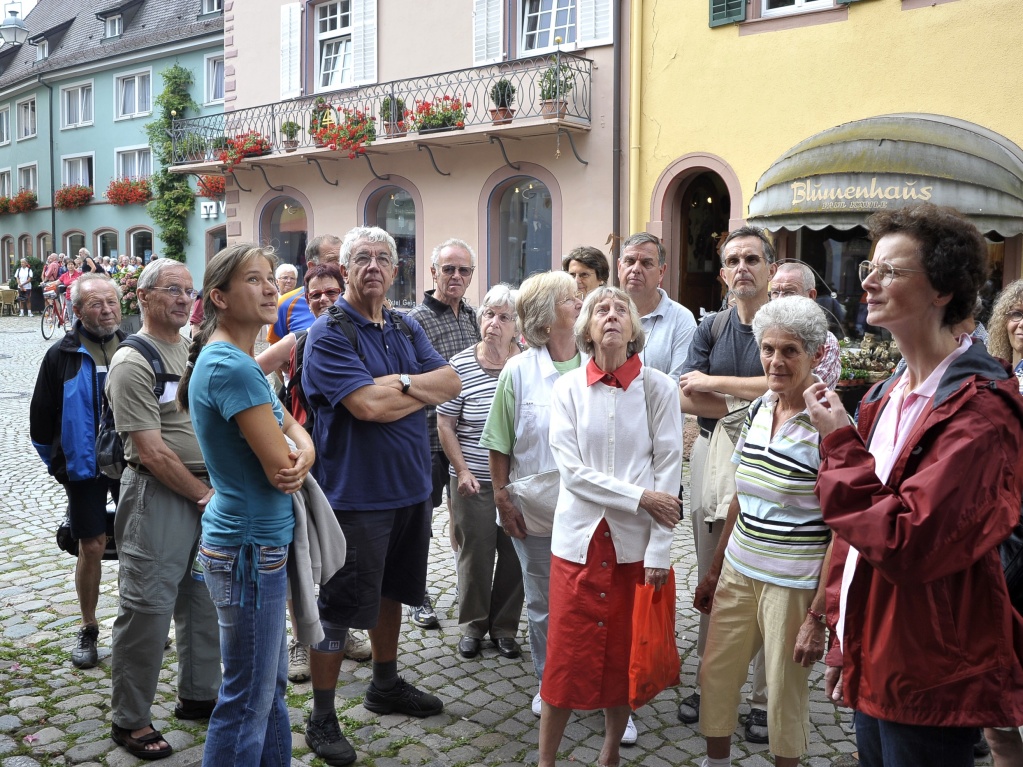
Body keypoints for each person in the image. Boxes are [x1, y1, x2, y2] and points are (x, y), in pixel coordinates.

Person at [804, 204, 1023, 767]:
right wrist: (840, 630)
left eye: (891, 271)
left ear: (942, 291)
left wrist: (838, 444)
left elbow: (908, 541)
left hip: (929, 669)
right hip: (874, 647)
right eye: (869, 269)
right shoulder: (884, 395)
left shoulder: (982, 412)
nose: (870, 281)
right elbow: (852, 540)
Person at [301, 226, 460, 766]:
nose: (373, 266)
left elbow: (450, 382)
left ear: (396, 270)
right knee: (339, 608)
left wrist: (401, 385)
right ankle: (322, 715)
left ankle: (385, 684)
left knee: (394, 590)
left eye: (383, 258)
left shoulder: (402, 324)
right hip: (354, 497)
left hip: (412, 487)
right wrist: (411, 388)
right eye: (361, 258)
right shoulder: (328, 334)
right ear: (344, 269)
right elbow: (365, 408)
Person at [177, 244, 315, 766]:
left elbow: (292, 428)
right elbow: (281, 460)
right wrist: (301, 450)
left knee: (268, 689)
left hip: (251, 545)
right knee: (246, 700)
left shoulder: (237, 361)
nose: (268, 288)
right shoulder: (231, 367)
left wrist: (308, 448)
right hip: (250, 550)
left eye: (269, 279)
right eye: (253, 280)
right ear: (219, 297)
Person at [540, 287, 682, 767]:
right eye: (601, 309)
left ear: (635, 326)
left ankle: (609, 754)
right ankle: (546, 761)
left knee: (625, 658)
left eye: (622, 309)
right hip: (578, 542)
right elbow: (573, 475)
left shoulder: (659, 387)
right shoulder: (566, 388)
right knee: (564, 661)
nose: (612, 315)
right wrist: (640, 497)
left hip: (635, 547)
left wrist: (661, 551)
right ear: (586, 327)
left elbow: (669, 469)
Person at [694, 296, 833, 767]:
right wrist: (714, 572)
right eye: (769, 349)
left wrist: (818, 615)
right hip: (739, 570)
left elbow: (841, 528)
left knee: (782, 693)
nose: (776, 361)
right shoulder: (757, 409)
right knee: (715, 675)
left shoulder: (828, 424)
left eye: (790, 350)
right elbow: (740, 497)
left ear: (814, 354)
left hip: (792, 584)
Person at [106, 259, 221, 760]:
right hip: (158, 497)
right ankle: (129, 721)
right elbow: (150, 450)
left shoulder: (191, 345)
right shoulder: (133, 361)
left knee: (202, 598)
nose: (183, 298)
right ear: (144, 298)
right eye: (171, 290)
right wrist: (203, 496)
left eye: (188, 290)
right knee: (147, 608)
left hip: (205, 493)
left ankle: (198, 694)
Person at [677, 225, 778, 742]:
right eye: (733, 260)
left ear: (770, 269)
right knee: (712, 577)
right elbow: (682, 397)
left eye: (752, 259)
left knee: (769, 581)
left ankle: (763, 701)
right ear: (722, 273)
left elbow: (787, 385)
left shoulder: (785, 326)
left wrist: (716, 385)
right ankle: (709, 682)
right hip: (714, 459)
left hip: (769, 465)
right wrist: (753, 395)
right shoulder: (712, 327)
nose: (742, 268)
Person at [480, 271, 584, 718]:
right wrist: (502, 500)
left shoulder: (599, 364)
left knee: (593, 600)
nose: (580, 304)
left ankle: (599, 685)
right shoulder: (519, 371)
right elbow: (499, 441)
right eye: (569, 299)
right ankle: (550, 682)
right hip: (535, 510)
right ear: (544, 321)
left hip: (592, 511)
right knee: (543, 602)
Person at [282, 261, 372, 683]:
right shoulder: (300, 338)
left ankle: (341, 627)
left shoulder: (355, 337)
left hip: (345, 460)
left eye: (330, 292)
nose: (322, 299)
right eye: (314, 294)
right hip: (305, 457)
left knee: (340, 553)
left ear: (345, 290)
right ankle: (301, 640)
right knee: (300, 553)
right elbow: (254, 372)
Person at [30, 273, 123, 669]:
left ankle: (133, 624)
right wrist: (59, 465)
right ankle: (88, 627)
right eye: (96, 304)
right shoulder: (62, 354)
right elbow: (40, 419)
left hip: (134, 462)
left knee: (140, 542)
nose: (106, 311)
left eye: (112, 303)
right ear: (79, 310)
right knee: (92, 545)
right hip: (83, 466)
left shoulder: (135, 345)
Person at [437, 285, 523, 660]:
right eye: (489, 314)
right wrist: (462, 469)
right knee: (475, 552)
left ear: (517, 325)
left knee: (516, 553)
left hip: (519, 482)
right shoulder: (459, 364)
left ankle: (504, 627)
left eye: (504, 317)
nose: (494, 323)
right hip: (471, 478)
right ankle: (473, 625)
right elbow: (445, 424)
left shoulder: (528, 364)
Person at [406, 238, 482, 629]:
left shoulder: (473, 317)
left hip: (465, 440)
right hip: (424, 437)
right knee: (420, 521)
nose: (456, 276)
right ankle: (417, 595)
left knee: (461, 520)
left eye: (463, 270)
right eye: (448, 269)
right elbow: (413, 381)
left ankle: (464, 586)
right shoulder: (414, 320)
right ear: (433, 271)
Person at [984, 280, 1023, 767]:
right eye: (1014, 314)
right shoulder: (1001, 374)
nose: (1021, 324)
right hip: (1001, 534)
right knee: (997, 709)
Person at [618, 232, 697, 380]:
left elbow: (679, 383)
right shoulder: (603, 315)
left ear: (661, 272)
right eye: (629, 261)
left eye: (646, 263)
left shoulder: (681, 319)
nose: (636, 269)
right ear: (619, 266)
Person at [769, 262, 841, 388]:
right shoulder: (764, 334)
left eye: (788, 293)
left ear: (811, 296)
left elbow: (800, 391)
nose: (779, 300)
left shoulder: (825, 342)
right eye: (775, 292)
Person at [267, 234, 342, 344]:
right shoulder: (285, 304)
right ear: (312, 266)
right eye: (332, 260)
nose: (341, 265)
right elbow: (275, 356)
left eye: (344, 259)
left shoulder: (358, 299)